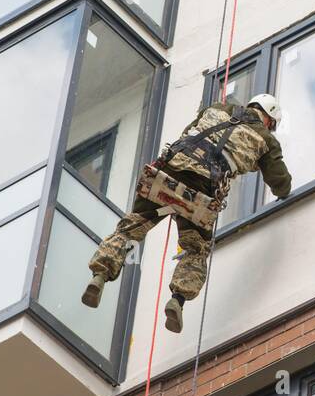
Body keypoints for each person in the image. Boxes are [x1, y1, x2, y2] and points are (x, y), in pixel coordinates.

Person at [82, 94, 292, 332]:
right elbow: (280, 183)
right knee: (196, 248)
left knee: (131, 227)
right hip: (202, 190)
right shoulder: (266, 139)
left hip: (168, 171)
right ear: (268, 119)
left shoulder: (217, 108)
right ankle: (177, 300)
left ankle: (99, 276)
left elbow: (189, 132)